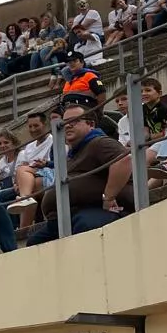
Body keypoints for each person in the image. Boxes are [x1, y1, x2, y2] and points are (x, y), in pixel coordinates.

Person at [27, 102, 134, 244]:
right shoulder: (74, 152)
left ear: (91, 124)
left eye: (74, 121)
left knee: (84, 226)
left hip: (93, 209)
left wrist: (108, 197)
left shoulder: (99, 142)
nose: (67, 126)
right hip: (66, 216)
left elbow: (123, 160)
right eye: (64, 123)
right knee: (34, 241)